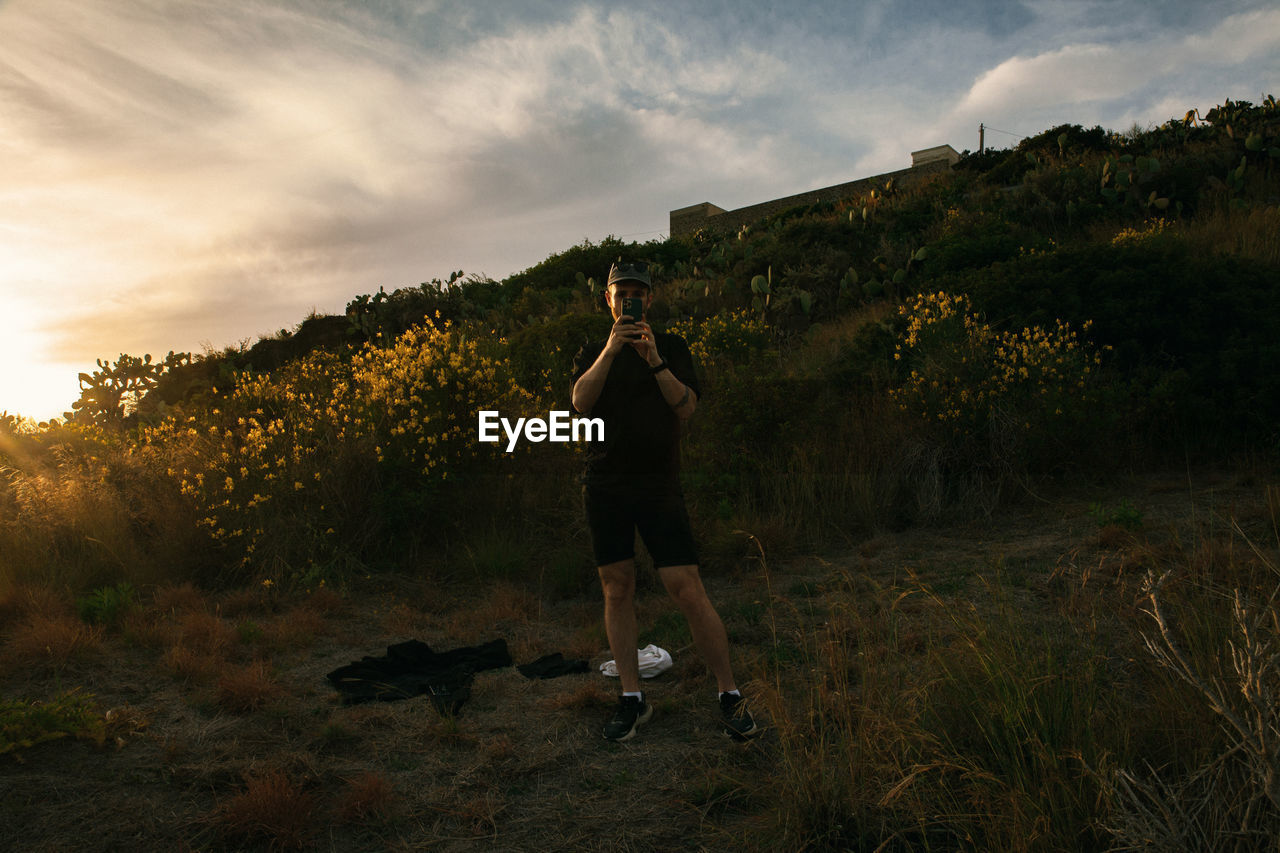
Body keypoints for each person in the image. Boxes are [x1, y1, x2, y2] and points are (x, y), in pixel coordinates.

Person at [570, 261, 760, 742]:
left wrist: (653, 359)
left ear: (650, 299)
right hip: (606, 484)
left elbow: (687, 408)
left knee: (686, 588)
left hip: (658, 485)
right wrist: (613, 351)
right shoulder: (593, 351)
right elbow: (580, 402)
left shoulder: (672, 347)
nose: (630, 299)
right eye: (622, 292)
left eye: (638, 292)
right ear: (607, 301)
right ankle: (632, 699)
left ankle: (729, 694)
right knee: (617, 588)